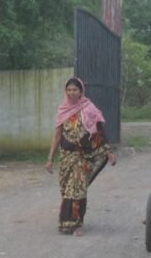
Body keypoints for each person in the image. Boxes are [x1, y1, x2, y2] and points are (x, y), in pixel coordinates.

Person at [45, 77, 116, 235]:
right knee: (65, 189)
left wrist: (108, 151)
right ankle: (68, 220)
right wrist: (50, 158)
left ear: (81, 91)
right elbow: (57, 136)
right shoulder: (62, 110)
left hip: (82, 157)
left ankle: (75, 224)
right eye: (69, 90)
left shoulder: (89, 108)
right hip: (66, 157)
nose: (72, 93)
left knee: (76, 189)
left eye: (75, 90)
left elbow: (99, 133)